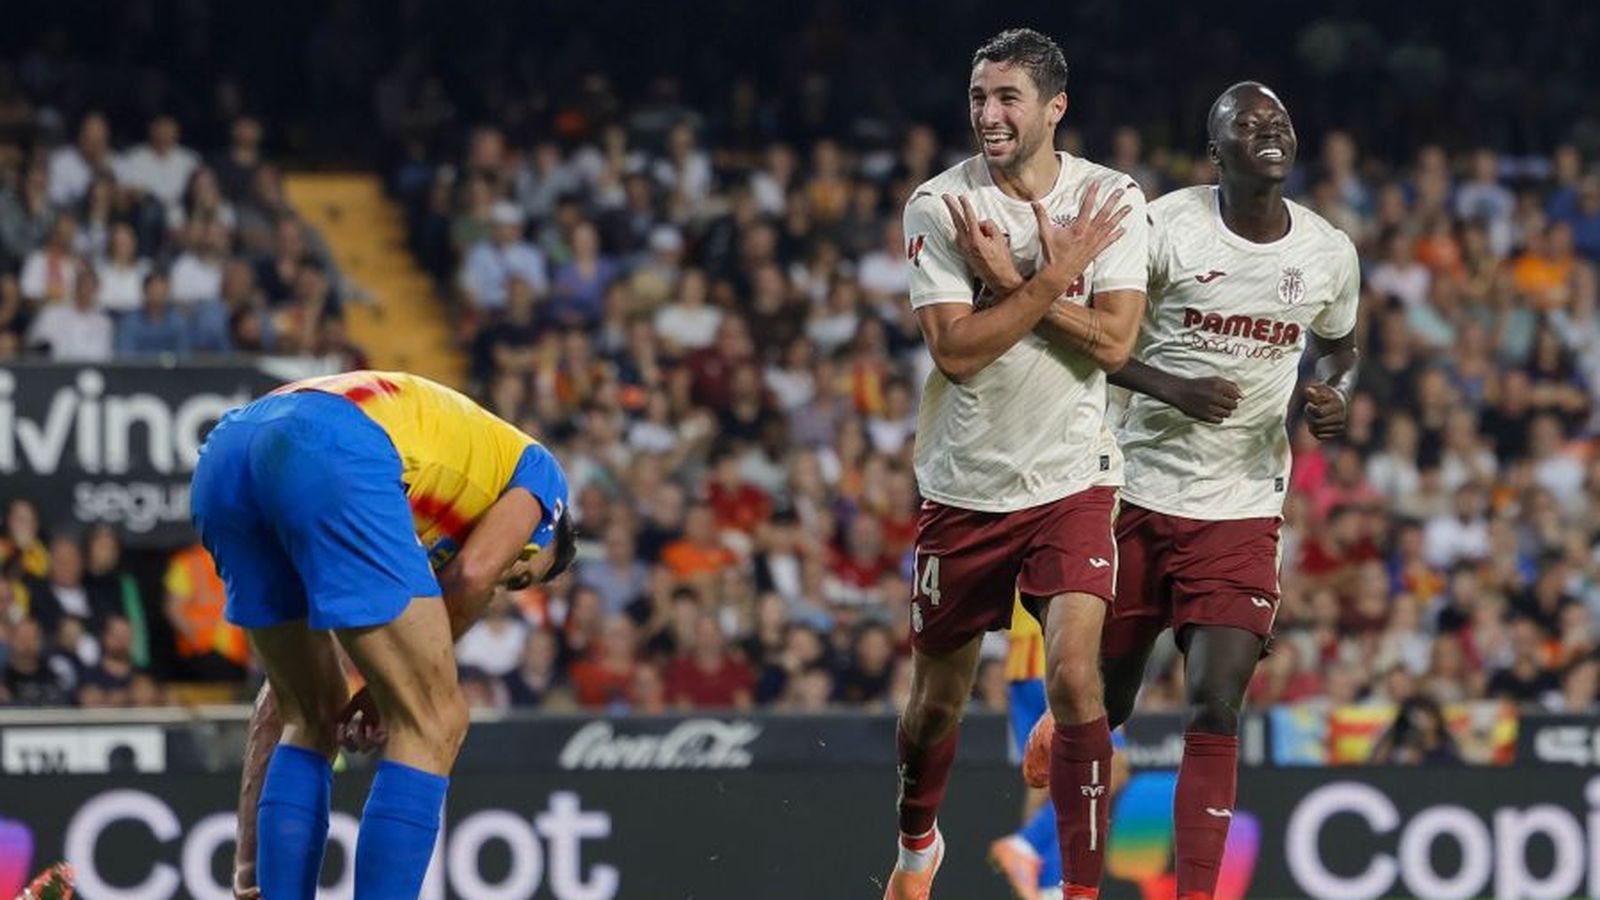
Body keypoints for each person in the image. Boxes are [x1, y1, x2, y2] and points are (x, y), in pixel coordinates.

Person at [1023, 82, 1359, 900]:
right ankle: (1080, 882)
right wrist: (1168, 387)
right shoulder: (1164, 225)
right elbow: (1084, 332)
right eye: (1246, 125)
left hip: (1242, 506)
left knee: (1216, 702)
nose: (1268, 131)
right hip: (1132, 490)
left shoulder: (1326, 251)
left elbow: (1341, 347)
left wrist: (1333, 391)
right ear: (1216, 154)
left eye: (1278, 120)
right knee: (1111, 698)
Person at [884, 27, 1147, 900]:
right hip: (965, 486)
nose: (988, 116)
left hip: (1076, 478)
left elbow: (1114, 342)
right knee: (935, 708)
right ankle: (919, 847)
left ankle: (1078, 889)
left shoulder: (1109, 200)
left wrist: (1013, 286)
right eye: (978, 99)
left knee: (1077, 679)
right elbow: (957, 352)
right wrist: (1047, 280)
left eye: (1007, 99)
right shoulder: (940, 206)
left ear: (1053, 109)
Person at [191, 370, 575, 900]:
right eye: (524, 569)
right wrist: (383, 694)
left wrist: (248, 868)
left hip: (228, 453)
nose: (511, 575)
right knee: (434, 719)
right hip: (331, 448)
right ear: (548, 531)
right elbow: (472, 575)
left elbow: (274, 709)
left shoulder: (422, 510)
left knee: (310, 711)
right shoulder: (543, 477)